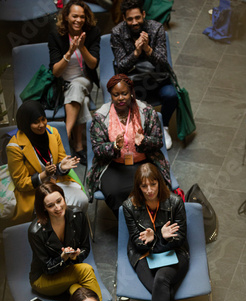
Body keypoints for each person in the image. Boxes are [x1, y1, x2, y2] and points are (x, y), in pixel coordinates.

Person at [122, 163, 189, 301]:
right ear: (138, 187)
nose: (150, 190)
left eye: (153, 184)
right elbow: (138, 244)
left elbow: (179, 239)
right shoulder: (129, 206)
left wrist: (156, 238)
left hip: (175, 253)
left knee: (162, 280)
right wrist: (160, 238)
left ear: (160, 182)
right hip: (143, 256)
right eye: (144, 186)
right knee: (162, 291)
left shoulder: (175, 202)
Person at [86, 74, 171, 216]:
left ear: (131, 92)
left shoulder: (146, 111)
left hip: (144, 161)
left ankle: (149, 222)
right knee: (114, 192)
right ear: (110, 96)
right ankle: (127, 226)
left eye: (124, 93)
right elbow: (97, 149)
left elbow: (158, 142)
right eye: (116, 95)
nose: (120, 98)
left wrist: (144, 141)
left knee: (150, 188)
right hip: (113, 164)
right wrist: (113, 147)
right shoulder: (101, 117)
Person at [110, 0, 178, 150]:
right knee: (127, 98)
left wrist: (147, 48)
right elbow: (120, 65)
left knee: (171, 95)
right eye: (130, 19)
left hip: (156, 78)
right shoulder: (117, 33)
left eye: (137, 18)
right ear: (124, 18)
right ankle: (140, 128)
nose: (134, 22)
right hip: (133, 81)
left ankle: (164, 126)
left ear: (143, 15)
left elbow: (162, 61)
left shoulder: (156, 28)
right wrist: (136, 52)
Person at [7, 100, 87, 224]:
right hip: (34, 192)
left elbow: (60, 161)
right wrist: (43, 175)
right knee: (54, 213)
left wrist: (62, 167)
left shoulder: (52, 132)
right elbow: (21, 183)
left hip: (56, 182)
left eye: (43, 119)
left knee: (82, 200)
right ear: (26, 123)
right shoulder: (14, 147)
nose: (42, 125)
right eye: (36, 122)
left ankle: (73, 230)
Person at [28, 183, 102, 301]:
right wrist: (63, 258)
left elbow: (85, 247)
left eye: (59, 201)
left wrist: (75, 256)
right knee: (85, 270)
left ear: (63, 197)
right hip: (43, 278)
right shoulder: (35, 232)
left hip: (68, 272)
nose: (57, 207)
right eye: (51, 205)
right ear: (43, 208)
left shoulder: (78, 215)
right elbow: (47, 268)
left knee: (80, 293)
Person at [49, 0, 101, 165]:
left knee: (78, 85)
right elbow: (56, 71)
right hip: (63, 85)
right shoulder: (56, 35)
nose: (78, 20)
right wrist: (70, 51)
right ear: (66, 16)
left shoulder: (92, 33)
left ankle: (65, 135)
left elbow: (93, 64)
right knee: (82, 100)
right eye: (74, 16)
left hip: (85, 81)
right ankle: (78, 147)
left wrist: (82, 47)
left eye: (82, 17)